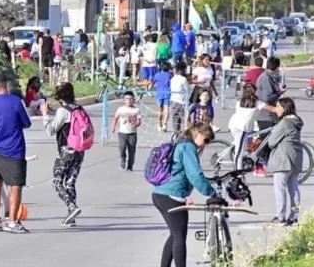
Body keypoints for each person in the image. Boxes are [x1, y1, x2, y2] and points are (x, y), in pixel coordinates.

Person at [151, 122, 221, 267]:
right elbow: (195, 175)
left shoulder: (180, 142)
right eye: (205, 140)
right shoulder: (188, 147)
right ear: (197, 133)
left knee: (174, 234)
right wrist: (212, 193)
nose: (205, 145)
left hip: (159, 193)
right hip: (172, 196)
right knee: (179, 237)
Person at [0, 73, 32, 233]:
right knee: (15, 186)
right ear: (7, 85)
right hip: (14, 150)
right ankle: (12, 221)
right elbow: (26, 123)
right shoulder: (15, 102)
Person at [42, 82, 90, 227]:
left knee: (57, 182)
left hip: (65, 151)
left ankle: (72, 207)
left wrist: (45, 115)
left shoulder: (62, 111)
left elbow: (51, 130)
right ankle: (72, 217)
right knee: (70, 182)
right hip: (79, 151)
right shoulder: (79, 108)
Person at [266, 98, 303, 226]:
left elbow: (271, 142)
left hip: (283, 159)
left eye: (278, 106)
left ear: (285, 108)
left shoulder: (285, 123)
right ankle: (294, 217)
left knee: (279, 188)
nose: (276, 109)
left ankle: (280, 216)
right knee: (294, 189)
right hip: (295, 158)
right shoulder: (296, 122)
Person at [228, 83, 262, 170]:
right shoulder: (257, 103)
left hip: (234, 124)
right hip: (241, 128)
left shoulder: (240, 101)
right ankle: (238, 173)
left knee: (243, 146)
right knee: (239, 153)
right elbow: (270, 108)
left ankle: (244, 158)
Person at [111, 91, 141, 171]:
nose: (129, 101)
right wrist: (113, 127)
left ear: (133, 100)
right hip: (122, 133)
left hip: (132, 133)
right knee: (122, 147)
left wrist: (136, 124)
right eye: (127, 99)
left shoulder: (136, 110)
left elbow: (139, 121)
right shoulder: (120, 109)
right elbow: (116, 118)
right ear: (124, 100)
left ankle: (130, 166)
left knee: (132, 150)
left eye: (131, 99)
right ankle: (123, 159)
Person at [255, 56, 287, 131]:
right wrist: (280, 92)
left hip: (266, 114)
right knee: (267, 140)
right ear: (275, 67)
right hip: (266, 115)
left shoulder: (266, 76)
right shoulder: (266, 78)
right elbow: (268, 98)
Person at [152, 62, 173, 132]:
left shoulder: (157, 75)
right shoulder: (170, 75)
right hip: (167, 93)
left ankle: (159, 124)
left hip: (159, 94)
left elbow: (153, 82)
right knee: (166, 109)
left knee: (160, 110)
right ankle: (165, 124)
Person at [169, 63, 190, 134]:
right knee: (185, 119)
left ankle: (176, 134)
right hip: (181, 102)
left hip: (173, 101)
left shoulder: (172, 79)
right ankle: (185, 134)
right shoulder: (183, 79)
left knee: (175, 119)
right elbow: (187, 91)